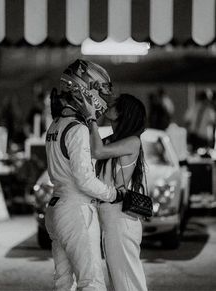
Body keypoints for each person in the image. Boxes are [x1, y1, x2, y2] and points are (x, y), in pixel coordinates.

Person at [44, 59, 124, 291]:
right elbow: (84, 179)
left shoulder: (56, 125)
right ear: (86, 89)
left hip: (56, 208)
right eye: (100, 90)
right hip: (75, 210)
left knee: (63, 282)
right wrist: (113, 194)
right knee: (92, 282)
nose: (103, 98)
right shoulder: (77, 128)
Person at [74, 93, 148, 291]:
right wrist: (90, 112)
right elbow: (89, 148)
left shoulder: (133, 141)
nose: (110, 108)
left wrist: (91, 118)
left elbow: (97, 152)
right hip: (110, 217)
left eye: (116, 106)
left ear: (125, 114)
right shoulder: (113, 141)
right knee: (120, 280)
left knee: (127, 281)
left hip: (120, 218)